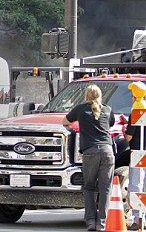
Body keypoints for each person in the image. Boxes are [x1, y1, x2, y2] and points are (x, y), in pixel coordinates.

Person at [63, 84, 115, 232]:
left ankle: (91, 222)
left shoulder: (80, 109)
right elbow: (110, 124)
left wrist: (76, 125)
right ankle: (102, 224)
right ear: (100, 95)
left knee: (89, 187)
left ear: (86, 95)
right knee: (105, 189)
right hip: (107, 151)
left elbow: (65, 122)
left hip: (90, 152)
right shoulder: (107, 109)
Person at [125, 81, 146, 231]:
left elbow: (129, 137)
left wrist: (124, 132)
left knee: (135, 184)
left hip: (138, 153)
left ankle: (137, 219)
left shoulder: (137, 110)